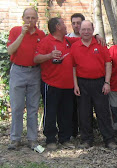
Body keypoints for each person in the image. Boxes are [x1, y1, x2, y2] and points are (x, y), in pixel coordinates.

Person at [72, 20, 117, 149]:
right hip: (82, 83)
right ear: (79, 30)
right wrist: (76, 85)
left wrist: (107, 82)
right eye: (83, 29)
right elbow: (73, 67)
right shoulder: (75, 46)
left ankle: (109, 139)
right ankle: (86, 139)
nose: (86, 32)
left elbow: (108, 63)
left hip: (99, 82)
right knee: (84, 113)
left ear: (93, 30)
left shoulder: (100, 44)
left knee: (103, 112)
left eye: (88, 29)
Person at [34, 17, 78, 150]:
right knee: (51, 112)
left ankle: (64, 138)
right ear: (58, 26)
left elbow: (84, 38)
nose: (66, 26)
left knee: (66, 113)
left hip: (68, 85)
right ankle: (50, 139)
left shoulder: (67, 40)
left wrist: (97, 36)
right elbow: (36, 58)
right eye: (64, 24)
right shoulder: (46, 41)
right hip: (51, 83)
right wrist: (49, 55)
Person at [7, 7, 45, 150]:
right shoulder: (15, 31)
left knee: (33, 107)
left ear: (36, 19)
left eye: (33, 18)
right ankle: (15, 139)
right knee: (16, 107)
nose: (30, 21)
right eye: (27, 17)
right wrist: (22, 34)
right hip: (18, 70)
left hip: (34, 72)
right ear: (23, 18)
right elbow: (10, 50)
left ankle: (32, 139)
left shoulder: (41, 34)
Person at [67, 13, 85, 139]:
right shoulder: (66, 38)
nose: (76, 25)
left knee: (84, 107)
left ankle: (85, 132)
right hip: (70, 78)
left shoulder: (91, 38)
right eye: (74, 23)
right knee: (71, 106)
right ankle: (73, 132)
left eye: (78, 23)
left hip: (85, 78)